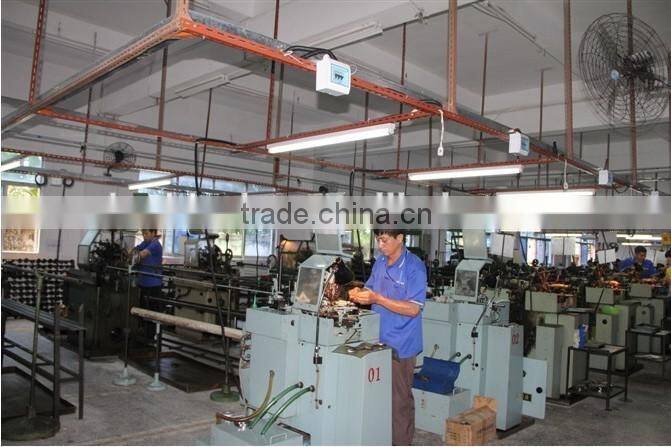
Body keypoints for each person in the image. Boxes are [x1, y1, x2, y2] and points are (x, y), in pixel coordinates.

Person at [349, 228, 427, 446]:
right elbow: (370, 289)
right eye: (378, 240)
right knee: (377, 397)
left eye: (384, 240)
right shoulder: (380, 263)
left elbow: (413, 308)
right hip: (376, 340)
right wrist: (358, 293)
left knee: (399, 401)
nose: (380, 245)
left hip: (401, 344)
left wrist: (378, 299)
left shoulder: (414, 267)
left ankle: (401, 442)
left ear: (400, 238)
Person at [132, 229, 164, 337]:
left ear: (153, 233)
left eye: (146, 234)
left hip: (153, 285)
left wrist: (132, 255)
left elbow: (140, 255)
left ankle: (150, 337)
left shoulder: (155, 245)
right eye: (143, 234)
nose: (144, 236)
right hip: (143, 283)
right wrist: (131, 252)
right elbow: (135, 250)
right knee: (142, 311)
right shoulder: (146, 243)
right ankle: (142, 334)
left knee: (151, 313)